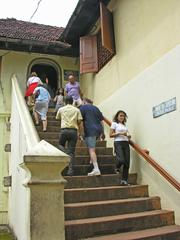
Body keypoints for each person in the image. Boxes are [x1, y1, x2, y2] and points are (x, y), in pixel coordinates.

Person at [55, 96, 83, 176]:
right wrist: (80, 134)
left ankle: (66, 153)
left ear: (64, 101)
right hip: (73, 131)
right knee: (72, 152)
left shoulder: (61, 109)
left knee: (60, 145)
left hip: (64, 130)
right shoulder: (77, 110)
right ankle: (70, 170)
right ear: (72, 101)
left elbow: (57, 117)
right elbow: (80, 122)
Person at [79, 98, 105, 176]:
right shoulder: (96, 108)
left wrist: (80, 133)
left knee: (91, 149)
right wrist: (102, 132)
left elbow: (80, 121)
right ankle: (92, 161)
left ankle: (96, 169)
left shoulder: (83, 108)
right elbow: (102, 121)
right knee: (92, 147)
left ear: (84, 102)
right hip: (98, 130)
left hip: (90, 130)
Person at [109, 110, 131, 185]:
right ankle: (116, 167)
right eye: (120, 115)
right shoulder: (114, 124)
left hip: (126, 143)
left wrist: (128, 136)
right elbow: (110, 135)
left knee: (127, 163)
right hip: (118, 142)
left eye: (123, 116)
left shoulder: (124, 125)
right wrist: (121, 133)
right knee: (121, 160)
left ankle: (124, 180)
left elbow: (127, 135)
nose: (122, 117)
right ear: (117, 116)